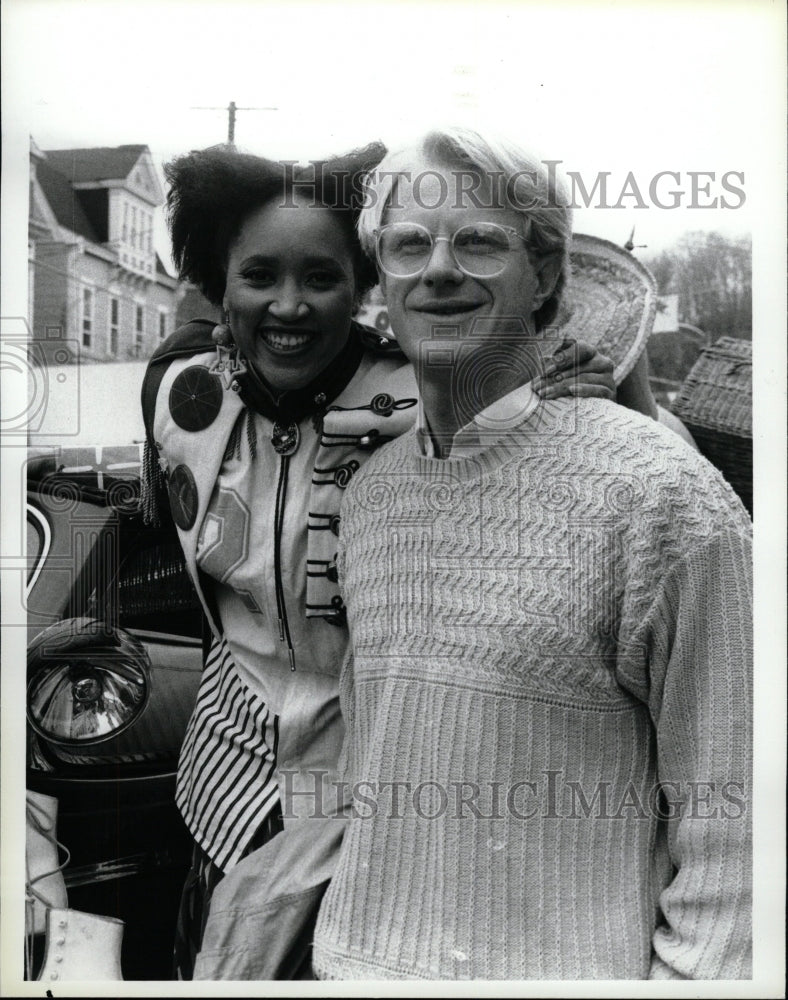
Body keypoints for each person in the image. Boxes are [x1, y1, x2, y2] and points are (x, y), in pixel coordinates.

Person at [139, 142, 618, 979]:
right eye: (258, 276)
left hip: (387, 812)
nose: (289, 306)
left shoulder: (439, 393)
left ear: (362, 288)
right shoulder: (179, 392)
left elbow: (582, 433)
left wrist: (579, 388)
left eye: (321, 278)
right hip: (222, 792)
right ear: (221, 283)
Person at [311, 127, 753, 980]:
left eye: (478, 241)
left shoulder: (661, 493)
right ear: (384, 283)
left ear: (544, 274)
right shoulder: (370, 498)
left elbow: (738, 823)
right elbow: (374, 776)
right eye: (410, 245)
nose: (438, 269)